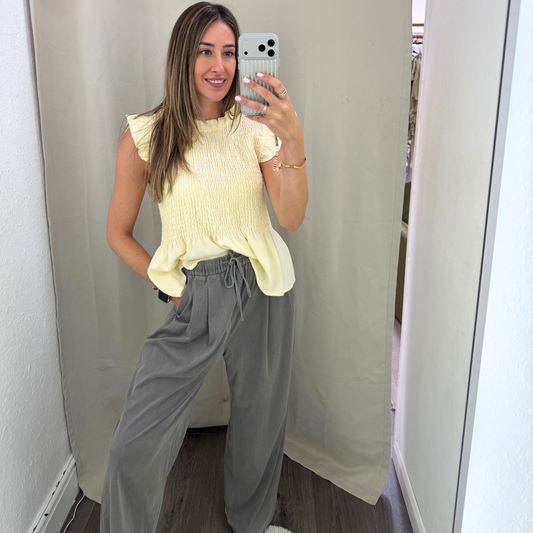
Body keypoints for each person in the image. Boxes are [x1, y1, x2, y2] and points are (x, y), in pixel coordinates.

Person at [101, 2, 308, 532]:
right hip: (198, 292)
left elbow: (290, 216)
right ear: (182, 56)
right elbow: (117, 233)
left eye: (230, 53)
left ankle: (252, 523)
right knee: (134, 444)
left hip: (263, 284)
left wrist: (292, 140)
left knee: (260, 419)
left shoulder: (255, 129)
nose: (220, 66)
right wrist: (173, 288)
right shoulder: (146, 135)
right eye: (205, 51)